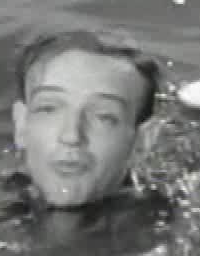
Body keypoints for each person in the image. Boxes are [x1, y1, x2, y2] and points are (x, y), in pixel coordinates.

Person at [9, 28, 166, 209]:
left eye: (104, 117)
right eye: (48, 109)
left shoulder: (180, 218)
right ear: (21, 125)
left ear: (142, 141)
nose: (71, 136)